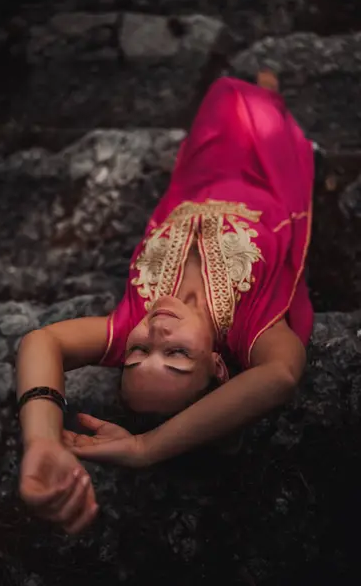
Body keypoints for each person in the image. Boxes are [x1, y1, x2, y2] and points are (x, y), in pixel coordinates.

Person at [16, 71, 314, 535]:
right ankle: (270, 92)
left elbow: (40, 341)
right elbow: (281, 375)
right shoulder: (252, 329)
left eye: (137, 355)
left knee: (221, 94)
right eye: (177, 355)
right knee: (261, 101)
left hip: (200, 171)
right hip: (264, 171)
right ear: (218, 365)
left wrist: (39, 438)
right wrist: (145, 448)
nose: (155, 335)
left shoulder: (130, 321)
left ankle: (258, 88)